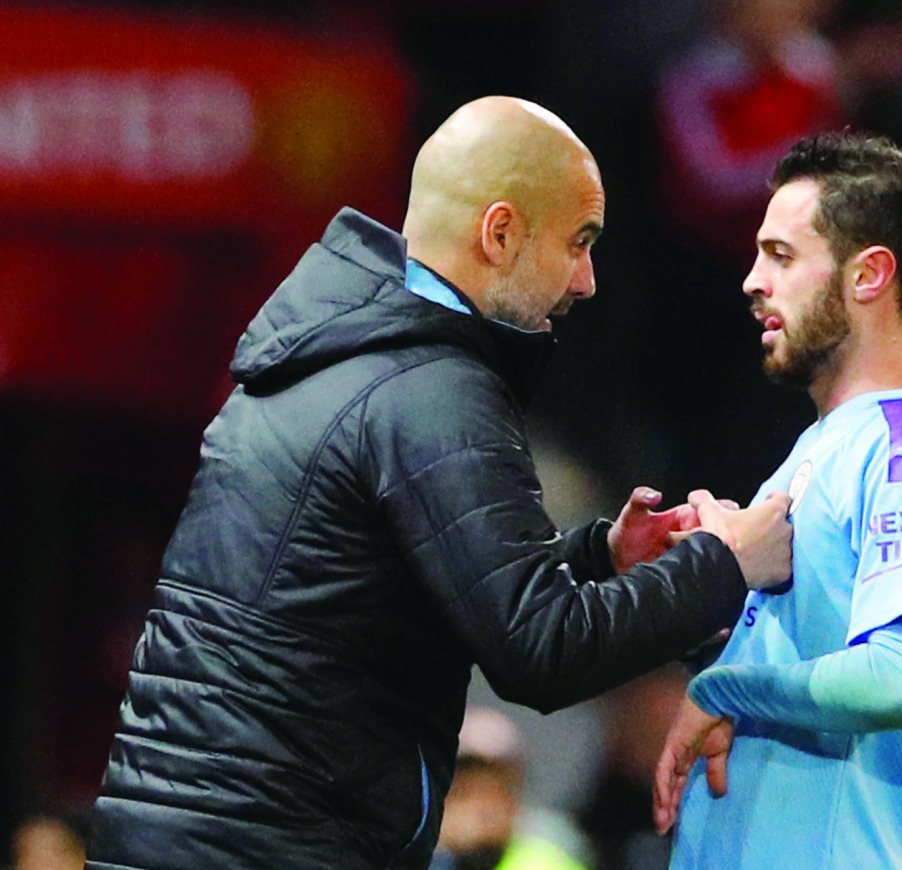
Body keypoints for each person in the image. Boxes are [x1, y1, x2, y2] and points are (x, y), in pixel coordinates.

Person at [84, 96, 793, 870]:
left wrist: (597, 558)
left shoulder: (335, 359)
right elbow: (541, 649)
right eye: (579, 242)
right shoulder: (433, 390)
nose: (588, 280)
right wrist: (725, 563)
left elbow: (396, 583)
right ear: (500, 233)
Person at [653, 132, 902, 869]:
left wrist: (725, 688)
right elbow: (809, 651)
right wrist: (711, 584)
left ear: (869, 274)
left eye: (781, 256)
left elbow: (898, 677)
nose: (752, 280)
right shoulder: (817, 448)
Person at [430, 707, 588, 870]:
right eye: (464, 791)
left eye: (494, 792)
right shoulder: (420, 856)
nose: (478, 808)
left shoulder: (545, 864)